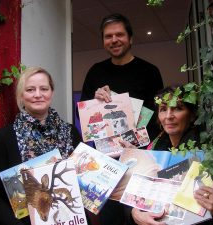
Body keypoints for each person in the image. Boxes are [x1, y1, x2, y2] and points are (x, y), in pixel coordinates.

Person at [79, 13, 164, 225]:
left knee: (142, 217)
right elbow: (86, 119)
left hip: (142, 160)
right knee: (111, 219)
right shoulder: (95, 72)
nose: (114, 40)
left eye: (119, 34)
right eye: (108, 36)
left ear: (131, 38)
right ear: (103, 41)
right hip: (107, 164)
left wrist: (139, 146)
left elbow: (159, 118)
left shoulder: (150, 72)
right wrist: (96, 101)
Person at [0, 67, 83, 225]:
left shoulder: (70, 132)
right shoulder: (5, 137)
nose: (38, 94)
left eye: (44, 88)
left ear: (51, 92)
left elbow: (84, 179)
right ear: (21, 96)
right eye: (30, 89)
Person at [124, 86, 213, 225]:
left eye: (178, 108)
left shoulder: (207, 153)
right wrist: (134, 214)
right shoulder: (153, 148)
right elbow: (135, 199)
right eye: (163, 109)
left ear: (192, 115)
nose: (168, 116)